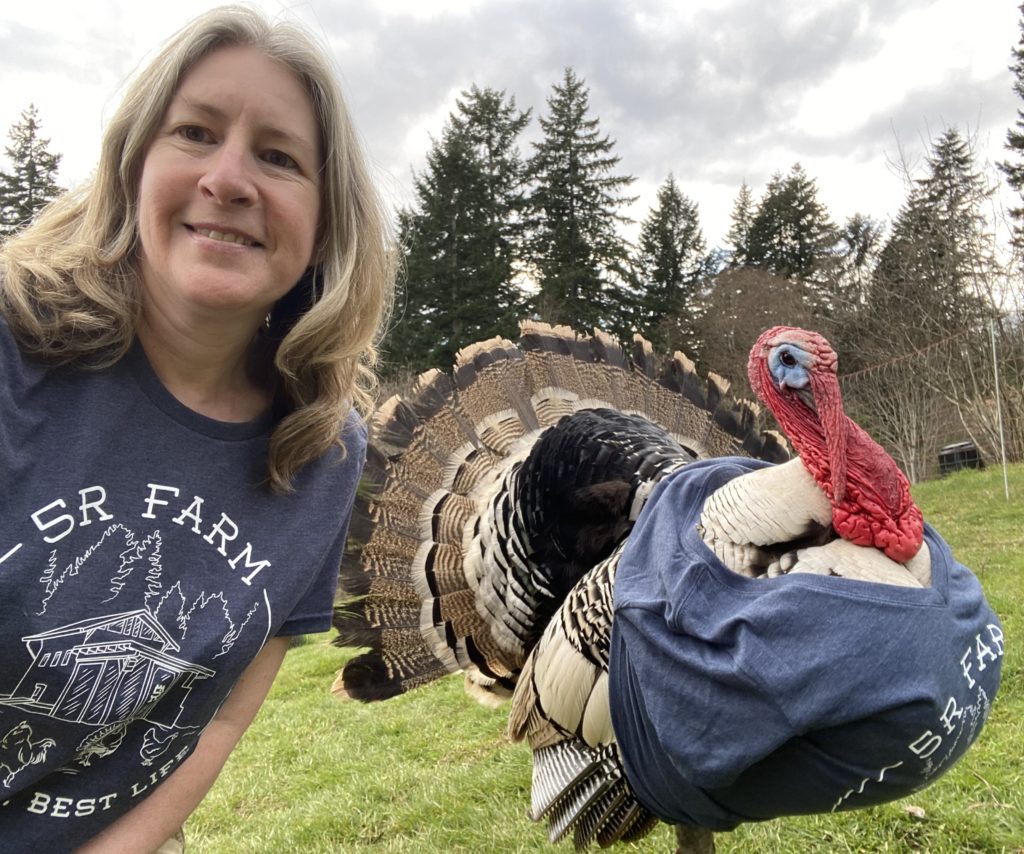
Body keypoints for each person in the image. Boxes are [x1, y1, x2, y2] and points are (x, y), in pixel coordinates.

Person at [0, 6, 393, 851]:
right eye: (195, 132)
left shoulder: (321, 452)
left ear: (326, 223)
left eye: (279, 157)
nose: (229, 178)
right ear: (134, 167)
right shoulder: (11, 352)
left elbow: (207, 731)